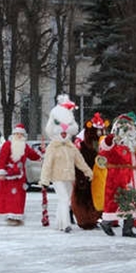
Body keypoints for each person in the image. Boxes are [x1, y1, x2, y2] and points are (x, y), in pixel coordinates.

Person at [40, 95, 94, 233]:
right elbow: (47, 164)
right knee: (63, 199)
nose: (64, 135)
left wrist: (88, 172)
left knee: (66, 200)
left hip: (69, 177)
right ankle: (65, 225)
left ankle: (59, 222)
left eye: (66, 133)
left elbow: (80, 161)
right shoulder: (53, 147)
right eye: (61, 133)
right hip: (57, 177)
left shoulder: (71, 147)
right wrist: (44, 180)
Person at [97, 113, 136, 238]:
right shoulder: (114, 142)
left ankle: (127, 229)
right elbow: (104, 149)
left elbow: (135, 160)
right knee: (115, 202)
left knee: (131, 202)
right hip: (117, 176)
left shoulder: (131, 144)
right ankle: (106, 222)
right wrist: (109, 138)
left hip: (130, 176)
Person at [0, 123, 42, 225]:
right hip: (8, 176)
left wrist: (41, 151)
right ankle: (10, 217)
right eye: (17, 134)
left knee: (19, 197)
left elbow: (34, 156)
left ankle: (17, 216)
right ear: (13, 135)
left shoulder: (25, 146)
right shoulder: (7, 145)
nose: (19, 136)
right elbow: (2, 159)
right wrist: (1, 171)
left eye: (21, 134)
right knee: (8, 196)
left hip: (20, 177)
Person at [71, 112, 108, 230]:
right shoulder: (84, 146)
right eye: (98, 132)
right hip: (86, 177)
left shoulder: (102, 147)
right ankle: (85, 220)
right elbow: (79, 163)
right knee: (83, 198)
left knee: (96, 198)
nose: (100, 135)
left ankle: (94, 218)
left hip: (98, 177)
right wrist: (81, 177)